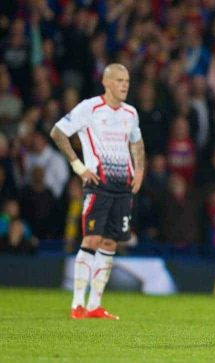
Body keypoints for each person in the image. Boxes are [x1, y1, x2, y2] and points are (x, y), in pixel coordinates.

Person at [50, 63, 145, 320]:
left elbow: (137, 142)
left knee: (110, 242)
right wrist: (79, 167)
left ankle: (94, 305)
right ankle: (77, 304)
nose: (125, 84)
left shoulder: (130, 113)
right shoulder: (89, 108)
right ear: (106, 83)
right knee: (91, 239)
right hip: (98, 183)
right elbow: (57, 132)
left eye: (127, 80)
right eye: (119, 80)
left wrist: (140, 171)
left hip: (122, 187)